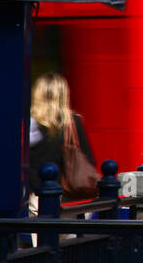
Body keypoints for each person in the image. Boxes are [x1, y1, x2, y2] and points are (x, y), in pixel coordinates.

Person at [29, 73, 97, 201]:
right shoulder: (73, 122)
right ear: (63, 95)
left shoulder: (29, 123)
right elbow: (89, 160)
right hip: (66, 195)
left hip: (34, 195)